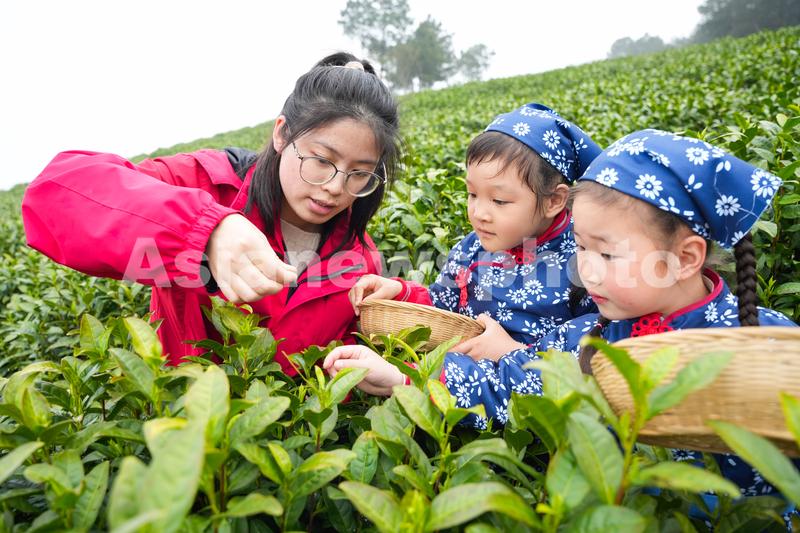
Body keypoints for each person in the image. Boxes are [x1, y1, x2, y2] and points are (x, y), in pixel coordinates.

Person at [323, 128, 798, 509]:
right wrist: (403, 378)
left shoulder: (772, 343)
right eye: (581, 249)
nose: (586, 270)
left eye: (606, 254)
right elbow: (503, 385)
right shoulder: (586, 338)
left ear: (686, 258)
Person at [22, 52, 401, 375]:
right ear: (282, 134)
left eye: (359, 173)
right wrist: (206, 229)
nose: (335, 187)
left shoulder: (360, 257)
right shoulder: (207, 184)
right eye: (321, 160)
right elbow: (56, 192)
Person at [348, 103, 601, 360]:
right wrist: (402, 293)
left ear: (553, 201)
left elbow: (599, 348)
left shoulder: (586, 260)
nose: (479, 213)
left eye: (499, 201)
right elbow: (442, 305)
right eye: (472, 194)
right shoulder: (472, 247)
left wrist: (514, 354)